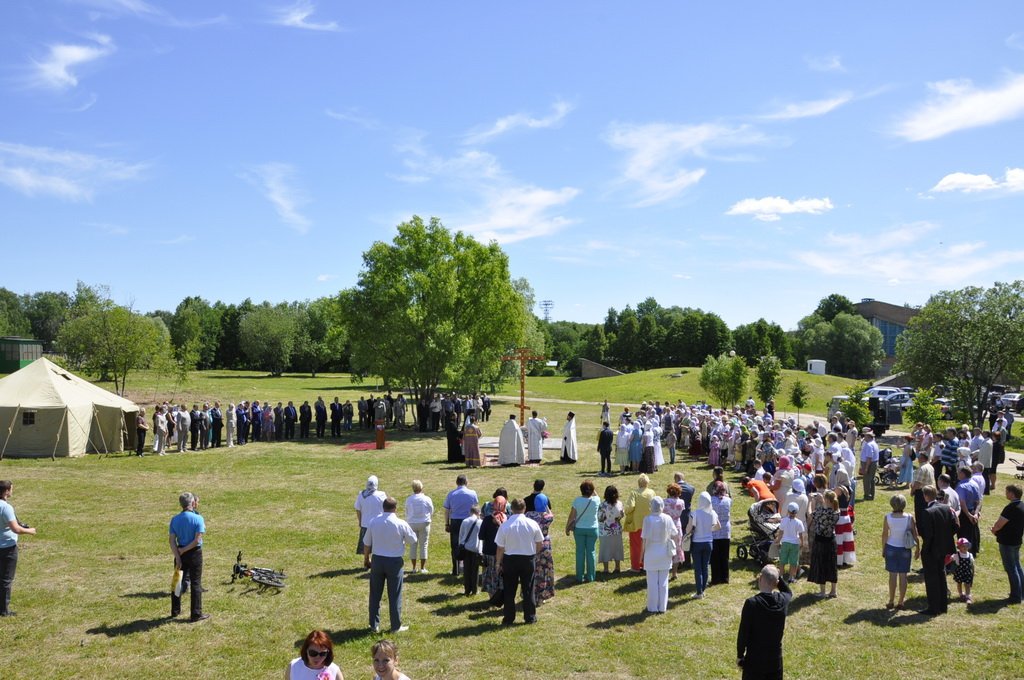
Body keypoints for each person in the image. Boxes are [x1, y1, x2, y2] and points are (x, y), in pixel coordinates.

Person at [363, 497, 415, 633]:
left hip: (378, 560)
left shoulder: (374, 521)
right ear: (395, 508)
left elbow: (367, 543)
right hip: (394, 561)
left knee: (375, 594)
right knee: (395, 595)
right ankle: (395, 626)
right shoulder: (400, 523)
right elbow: (413, 540)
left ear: (383, 507)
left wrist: (366, 559)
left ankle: (374, 625)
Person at [736, 564, 793, 680]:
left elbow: (744, 632)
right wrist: (778, 578)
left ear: (760, 578)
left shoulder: (752, 603)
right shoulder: (782, 601)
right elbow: (788, 591)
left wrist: (740, 655)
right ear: (776, 583)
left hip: (755, 659)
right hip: (775, 659)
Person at [494, 497, 544, 625]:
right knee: (528, 588)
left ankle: (509, 618)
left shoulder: (505, 525)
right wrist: (535, 554)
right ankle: (530, 617)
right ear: (524, 509)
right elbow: (540, 542)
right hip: (528, 558)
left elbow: (500, 548)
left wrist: (498, 563)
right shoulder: (532, 524)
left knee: (510, 590)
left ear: (512, 509)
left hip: (510, 560)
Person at [169, 491, 208, 621]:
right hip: (195, 553)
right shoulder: (198, 518)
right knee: (195, 583)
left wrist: (178, 555)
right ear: (192, 503)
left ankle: (175, 611)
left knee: (177, 582)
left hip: (179, 552)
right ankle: (196, 614)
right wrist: (186, 549)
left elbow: (172, 540)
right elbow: (197, 540)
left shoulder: (175, 519)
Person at [918, 484, 957, 615]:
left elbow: (927, 534)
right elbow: (955, 526)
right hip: (944, 547)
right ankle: (942, 605)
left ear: (926, 496)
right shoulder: (946, 508)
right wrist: (945, 537)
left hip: (932, 549)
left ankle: (933, 607)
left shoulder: (927, 512)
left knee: (932, 578)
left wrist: (925, 549)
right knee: (941, 575)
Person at [0, 480, 37, 617]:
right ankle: (4, 610)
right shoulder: (5, 508)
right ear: (6, 491)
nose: (12, 491)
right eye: (11, 489)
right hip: (7, 548)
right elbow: (16, 529)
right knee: (6, 579)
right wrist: (30, 531)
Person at [641, 496, 679, 613]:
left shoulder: (647, 519)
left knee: (652, 582)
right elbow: (675, 533)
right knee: (663, 582)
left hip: (651, 552)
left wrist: (641, 555)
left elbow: (644, 539)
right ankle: (662, 606)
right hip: (664, 553)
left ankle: (652, 607)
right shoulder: (667, 518)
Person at [881, 493, 918, 610]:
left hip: (891, 547)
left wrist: (883, 549)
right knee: (903, 576)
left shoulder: (888, 517)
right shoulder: (909, 517)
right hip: (905, 549)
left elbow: (885, 535)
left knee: (892, 576)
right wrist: (918, 548)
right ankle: (901, 601)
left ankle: (891, 600)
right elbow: (915, 534)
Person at [990, 482, 1024, 604]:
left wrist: (993, 529)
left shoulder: (1010, 508)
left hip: (1007, 542)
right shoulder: (1022, 505)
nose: (1005, 493)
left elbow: (999, 524)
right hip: (1017, 540)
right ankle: (1021, 592)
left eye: (1007, 491)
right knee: (1017, 566)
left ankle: (1015, 596)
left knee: (1011, 568)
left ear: (1011, 493)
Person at [686, 492, 720, 599]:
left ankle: (699, 592)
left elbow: (688, 529)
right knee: (705, 567)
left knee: (698, 568)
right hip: (709, 542)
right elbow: (718, 526)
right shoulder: (712, 513)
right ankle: (703, 590)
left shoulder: (695, 513)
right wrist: (709, 530)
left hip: (697, 543)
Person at [565, 480, 599, 583]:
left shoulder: (577, 501)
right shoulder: (596, 500)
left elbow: (572, 516)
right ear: (592, 490)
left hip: (579, 529)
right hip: (593, 529)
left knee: (580, 552)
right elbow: (595, 494)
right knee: (591, 552)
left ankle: (579, 577)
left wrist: (567, 527)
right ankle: (591, 576)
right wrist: (592, 488)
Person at [443, 475, 478, 576]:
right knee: (468, 543)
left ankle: (456, 569)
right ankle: (467, 567)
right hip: (469, 521)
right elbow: (476, 507)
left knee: (455, 545)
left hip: (455, 521)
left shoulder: (451, 494)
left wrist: (447, 523)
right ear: (466, 482)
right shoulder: (472, 493)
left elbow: (447, 510)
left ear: (456, 482)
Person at [808, 490, 839, 599]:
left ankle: (822, 592)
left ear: (827, 500)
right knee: (831, 565)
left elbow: (810, 514)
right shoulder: (836, 511)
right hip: (831, 541)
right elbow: (828, 508)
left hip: (820, 541)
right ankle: (833, 591)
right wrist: (823, 500)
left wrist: (811, 501)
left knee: (821, 565)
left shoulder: (821, 511)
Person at [623, 474, 656, 572]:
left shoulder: (634, 493)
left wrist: (626, 511)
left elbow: (629, 507)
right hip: (649, 524)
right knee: (648, 545)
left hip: (636, 524)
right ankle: (646, 565)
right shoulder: (652, 492)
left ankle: (636, 566)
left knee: (636, 545)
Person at [526, 495, 555, 603]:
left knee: (533, 569)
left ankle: (531, 593)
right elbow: (551, 514)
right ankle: (542, 595)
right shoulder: (547, 517)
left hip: (532, 544)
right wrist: (546, 507)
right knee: (544, 570)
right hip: (544, 546)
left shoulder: (528, 514)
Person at [480, 495, 507, 606]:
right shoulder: (507, 519)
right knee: (501, 576)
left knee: (490, 576)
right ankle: (500, 598)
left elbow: (481, 536)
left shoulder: (487, 519)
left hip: (489, 552)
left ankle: (492, 598)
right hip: (503, 553)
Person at [404, 480, 434, 574]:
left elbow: (407, 511)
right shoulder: (426, 499)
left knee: (413, 544)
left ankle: (413, 568)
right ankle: (422, 567)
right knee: (423, 544)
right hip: (424, 522)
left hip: (412, 523)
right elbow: (431, 510)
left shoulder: (409, 499)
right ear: (421, 488)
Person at [356, 476, 387, 556]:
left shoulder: (361, 495)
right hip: (378, 524)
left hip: (365, 523)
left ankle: (366, 559)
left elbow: (358, 509)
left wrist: (360, 521)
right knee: (378, 543)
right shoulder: (381, 495)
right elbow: (386, 508)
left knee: (366, 543)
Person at [775, 502, 805, 584]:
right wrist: (802, 543)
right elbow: (800, 535)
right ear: (797, 512)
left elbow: (780, 533)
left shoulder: (783, 520)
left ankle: (780, 576)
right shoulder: (799, 522)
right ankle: (791, 578)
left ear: (788, 511)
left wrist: (777, 540)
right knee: (793, 562)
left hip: (785, 543)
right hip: (795, 544)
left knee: (782, 561)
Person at [710, 481, 733, 585]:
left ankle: (716, 578)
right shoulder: (728, 500)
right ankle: (725, 578)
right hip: (725, 529)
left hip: (714, 529)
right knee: (725, 555)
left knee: (715, 556)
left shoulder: (711, 500)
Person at [457, 504, 483, 596]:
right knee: (475, 571)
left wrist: (460, 545)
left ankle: (467, 589)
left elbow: (461, 535)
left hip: (466, 548)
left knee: (466, 570)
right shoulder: (480, 522)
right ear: (478, 512)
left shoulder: (465, 521)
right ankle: (474, 590)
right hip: (476, 549)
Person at [598, 485, 624, 574]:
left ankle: (606, 569)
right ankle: (617, 567)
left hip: (605, 530)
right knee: (617, 549)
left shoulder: (602, 505)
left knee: (605, 549)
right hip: (616, 529)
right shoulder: (620, 504)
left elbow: (600, 518)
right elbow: (621, 515)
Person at [662, 483, 686, 580]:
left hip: (667, 527)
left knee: (666, 549)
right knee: (677, 549)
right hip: (677, 526)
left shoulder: (664, 502)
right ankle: (674, 573)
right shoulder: (681, 502)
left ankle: (666, 571)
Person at [951, 537, 975, 603]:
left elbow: (972, 564)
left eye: (966, 546)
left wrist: (973, 572)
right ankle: (961, 594)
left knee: (967, 584)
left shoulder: (970, 555)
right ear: (959, 547)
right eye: (962, 546)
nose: (965, 547)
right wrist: (950, 558)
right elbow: (951, 558)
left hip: (967, 572)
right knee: (959, 583)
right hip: (960, 572)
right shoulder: (957, 555)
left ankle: (968, 596)